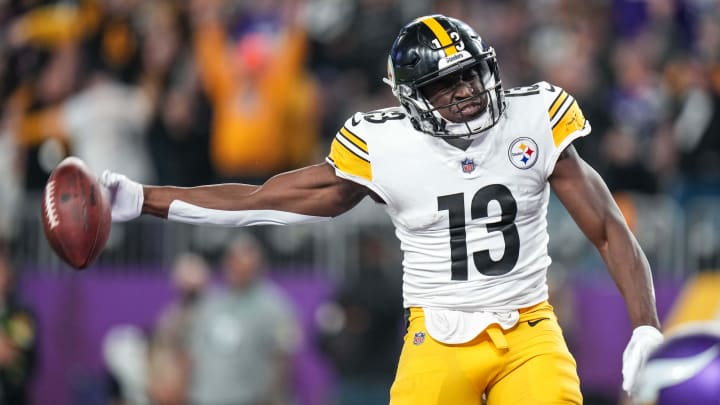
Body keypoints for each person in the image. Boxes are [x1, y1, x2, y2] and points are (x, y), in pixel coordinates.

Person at [101, 14, 663, 404]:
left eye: (471, 74)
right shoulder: (386, 146)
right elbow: (261, 200)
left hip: (530, 331)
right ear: (412, 101)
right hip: (437, 339)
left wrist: (644, 326)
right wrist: (144, 199)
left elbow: (610, 230)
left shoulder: (533, 117)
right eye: (447, 86)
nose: (467, 92)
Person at [184, 233, 300, 405]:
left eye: (246, 265)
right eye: (234, 262)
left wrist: (273, 396)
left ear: (258, 267)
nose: (238, 269)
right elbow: (192, 353)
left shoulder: (274, 306)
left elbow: (283, 355)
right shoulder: (211, 303)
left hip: (250, 398)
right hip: (206, 396)